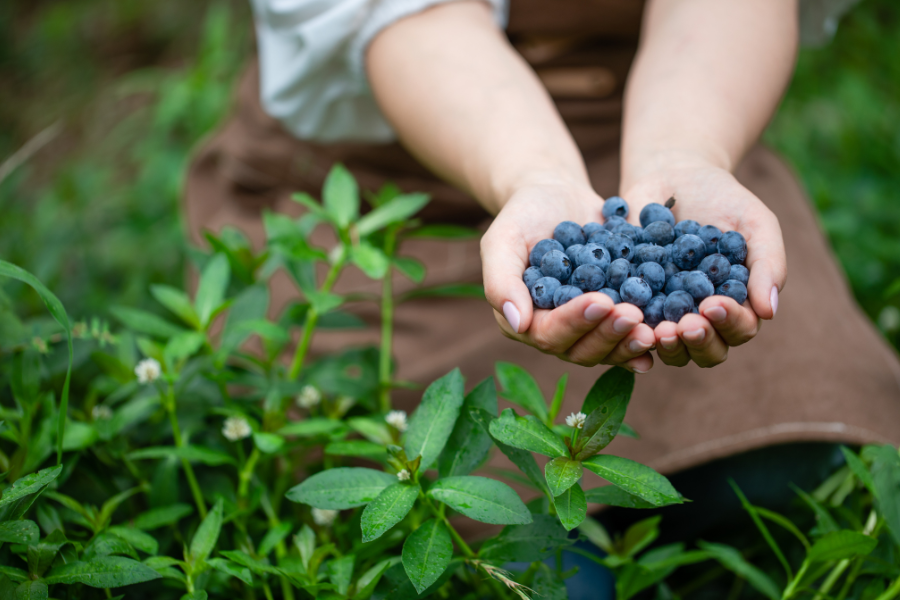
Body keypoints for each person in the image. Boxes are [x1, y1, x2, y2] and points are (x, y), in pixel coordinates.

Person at [185, 0, 900, 566]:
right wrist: (537, 179)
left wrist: (685, 153)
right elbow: (409, 20)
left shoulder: (666, 215)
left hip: (673, 125)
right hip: (395, 181)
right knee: (521, 551)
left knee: (806, 453)